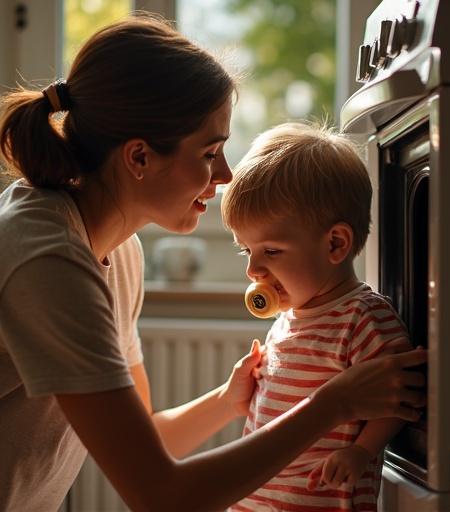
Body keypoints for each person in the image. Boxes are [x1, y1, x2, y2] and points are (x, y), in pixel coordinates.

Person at [0, 14, 426, 512]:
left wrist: (228, 400)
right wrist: (335, 403)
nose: (223, 175)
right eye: (210, 152)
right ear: (139, 158)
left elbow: (153, 442)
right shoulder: (48, 260)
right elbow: (161, 496)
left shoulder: (122, 252)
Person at [221, 122, 418, 511]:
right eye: (247, 251)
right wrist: (253, 394)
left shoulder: (363, 317)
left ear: (335, 244)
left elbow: (400, 395)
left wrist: (362, 450)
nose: (253, 271)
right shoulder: (290, 316)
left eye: (271, 251)